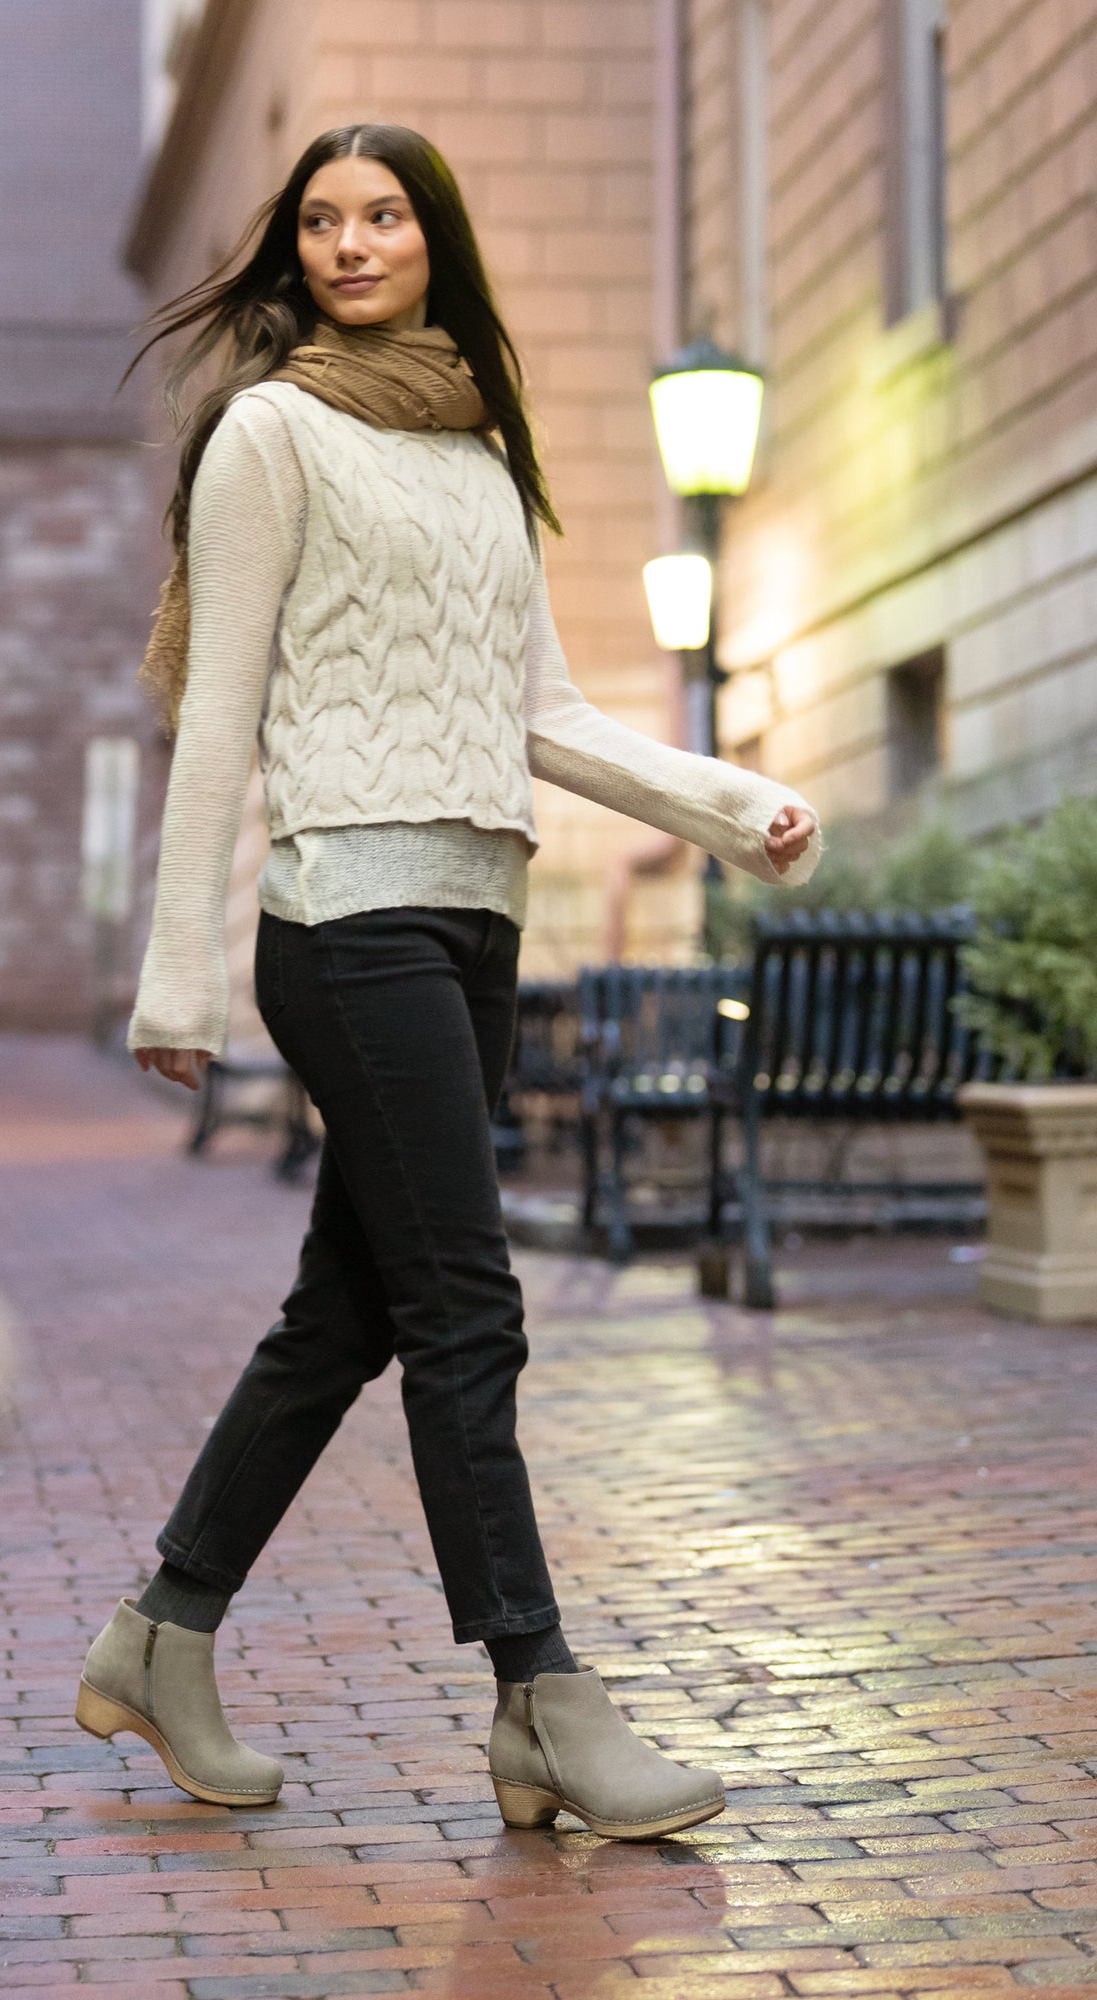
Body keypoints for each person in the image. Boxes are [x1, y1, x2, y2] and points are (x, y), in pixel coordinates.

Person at [74, 124, 820, 1842]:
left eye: (382, 215)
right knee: (468, 1308)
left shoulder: (480, 450)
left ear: (433, 238)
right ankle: (541, 1696)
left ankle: (160, 1636)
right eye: (320, 221)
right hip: (345, 916)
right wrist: (177, 977)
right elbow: (222, 714)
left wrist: (727, 809)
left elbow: (542, 714)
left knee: (349, 1313)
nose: (349, 243)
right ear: (295, 254)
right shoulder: (271, 435)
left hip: (475, 917)